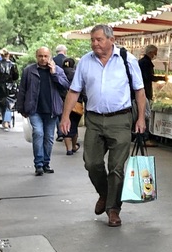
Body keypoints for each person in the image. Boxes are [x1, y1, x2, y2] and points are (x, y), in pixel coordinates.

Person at [59, 24, 146, 228]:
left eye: (99, 39)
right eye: (92, 40)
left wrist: (141, 118)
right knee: (92, 163)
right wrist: (64, 117)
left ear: (111, 40)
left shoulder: (127, 60)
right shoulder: (85, 62)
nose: (95, 43)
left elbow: (140, 91)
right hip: (94, 120)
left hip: (120, 120)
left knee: (116, 167)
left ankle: (113, 209)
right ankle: (105, 194)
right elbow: (74, 91)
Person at [15, 47, 68, 176]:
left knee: (49, 137)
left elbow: (65, 86)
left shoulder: (57, 70)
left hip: (51, 110)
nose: (43, 59)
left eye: (45, 56)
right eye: (40, 56)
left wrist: (54, 73)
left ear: (50, 56)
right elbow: (23, 89)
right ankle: (38, 164)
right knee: (38, 133)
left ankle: (46, 163)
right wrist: (20, 107)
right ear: (36, 56)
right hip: (34, 109)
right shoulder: (29, 70)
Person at [138, 44, 164, 144]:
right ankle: (145, 137)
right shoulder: (146, 63)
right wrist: (161, 78)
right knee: (146, 115)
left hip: (143, 91)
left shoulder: (141, 62)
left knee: (144, 114)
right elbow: (148, 77)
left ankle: (141, 136)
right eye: (155, 53)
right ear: (150, 52)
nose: (155, 55)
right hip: (144, 92)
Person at [61, 57, 83, 155]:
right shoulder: (76, 74)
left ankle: (68, 148)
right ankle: (73, 146)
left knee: (65, 124)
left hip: (61, 103)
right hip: (76, 104)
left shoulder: (59, 73)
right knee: (73, 125)